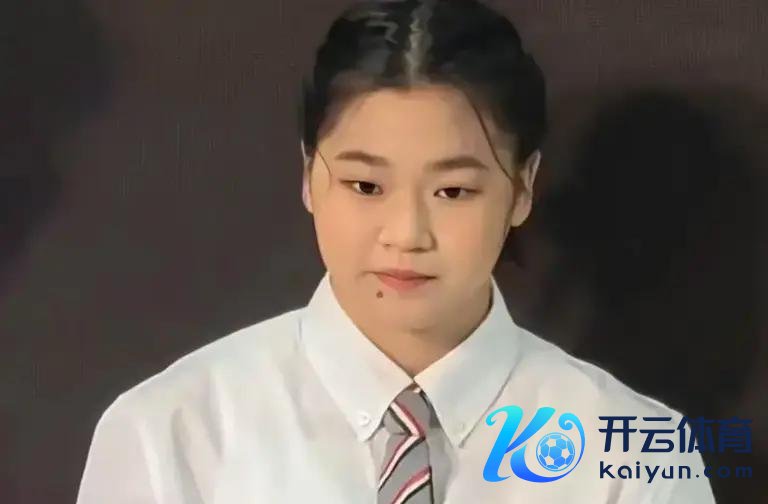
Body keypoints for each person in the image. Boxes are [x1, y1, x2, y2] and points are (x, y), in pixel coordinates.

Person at [76, 0, 715, 502]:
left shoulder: (634, 459)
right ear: (309, 176)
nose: (407, 233)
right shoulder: (171, 432)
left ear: (522, 188)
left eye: (453, 191)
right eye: (366, 186)